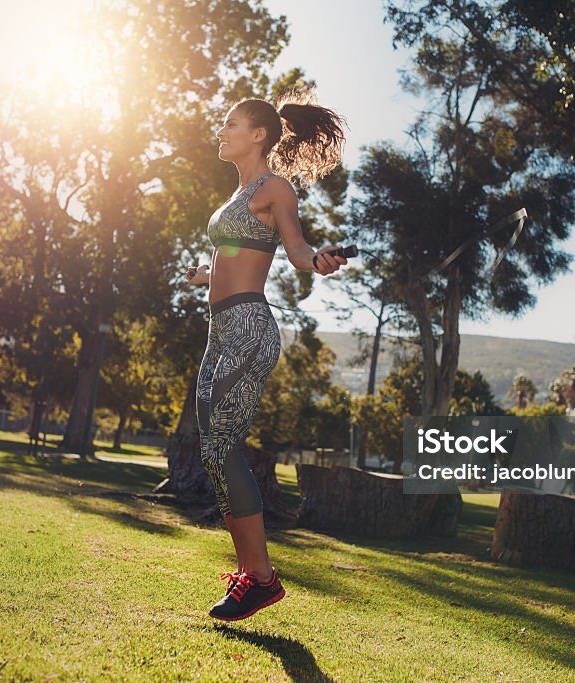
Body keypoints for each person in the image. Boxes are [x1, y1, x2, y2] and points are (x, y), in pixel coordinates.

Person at [184, 91, 348, 621]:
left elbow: (294, 248)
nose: (221, 130)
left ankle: (260, 578)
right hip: (219, 330)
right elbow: (240, 253)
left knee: (221, 441)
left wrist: (316, 259)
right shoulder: (236, 195)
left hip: (249, 330)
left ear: (258, 135)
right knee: (212, 446)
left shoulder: (274, 187)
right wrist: (208, 276)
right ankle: (253, 576)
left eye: (230, 124)